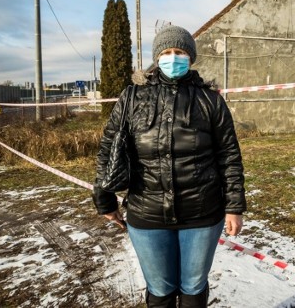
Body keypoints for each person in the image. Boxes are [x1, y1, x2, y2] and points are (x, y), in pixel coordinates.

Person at [92, 25, 246, 308]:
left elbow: (229, 156)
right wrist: (105, 200)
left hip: (202, 213)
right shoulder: (132, 98)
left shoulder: (210, 100)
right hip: (146, 212)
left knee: (193, 287)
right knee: (160, 290)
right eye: (166, 52)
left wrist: (234, 207)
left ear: (191, 57)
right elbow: (108, 150)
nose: (172, 57)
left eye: (179, 52)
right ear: (156, 57)